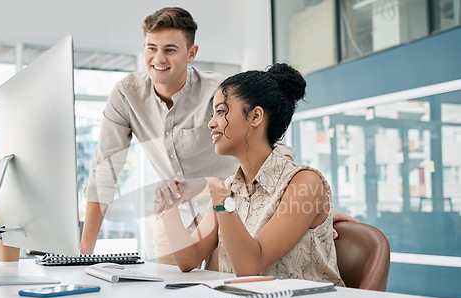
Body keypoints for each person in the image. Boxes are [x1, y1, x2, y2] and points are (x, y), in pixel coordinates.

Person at [81, 6, 357, 265]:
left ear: (191, 54)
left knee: (225, 281)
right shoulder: (126, 94)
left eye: (170, 49)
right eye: (151, 48)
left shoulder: (221, 93)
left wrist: (300, 211)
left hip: (235, 205)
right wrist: (83, 257)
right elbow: (103, 173)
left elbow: (272, 146)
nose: (159, 58)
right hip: (192, 208)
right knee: (167, 288)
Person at [156, 63, 344, 285]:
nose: (211, 123)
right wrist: (170, 204)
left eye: (221, 112)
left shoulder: (305, 183)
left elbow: (250, 267)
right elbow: (188, 259)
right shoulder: (231, 187)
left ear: (255, 117)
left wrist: (218, 194)